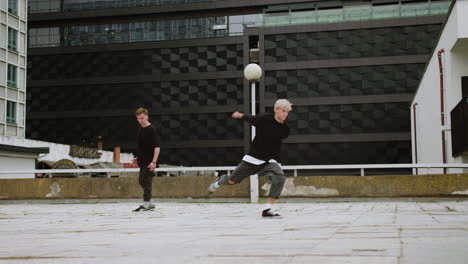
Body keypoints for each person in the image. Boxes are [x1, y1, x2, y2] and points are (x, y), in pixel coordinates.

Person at [208, 99, 292, 217]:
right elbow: (251, 118)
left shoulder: (285, 130)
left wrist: (277, 163)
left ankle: (268, 209)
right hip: (253, 158)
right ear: (276, 110)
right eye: (283, 111)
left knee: (280, 178)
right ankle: (220, 180)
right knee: (233, 181)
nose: (285, 114)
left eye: (287, 112)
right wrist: (239, 115)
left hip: (268, 161)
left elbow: (276, 146)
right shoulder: (265, 119)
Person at [132, 108, 161, 212]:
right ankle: (150, 202)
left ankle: (146, 203)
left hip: (150, 161)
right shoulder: (140, 129)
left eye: (142, 118)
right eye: (138, 118)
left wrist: (154, 162)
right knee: (141, 181)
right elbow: (141, 146)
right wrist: (137, 157)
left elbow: (157, 147)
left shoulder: (152, 129)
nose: (140, 120)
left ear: (147, 116)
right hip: (142, 160)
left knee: (146, 181)